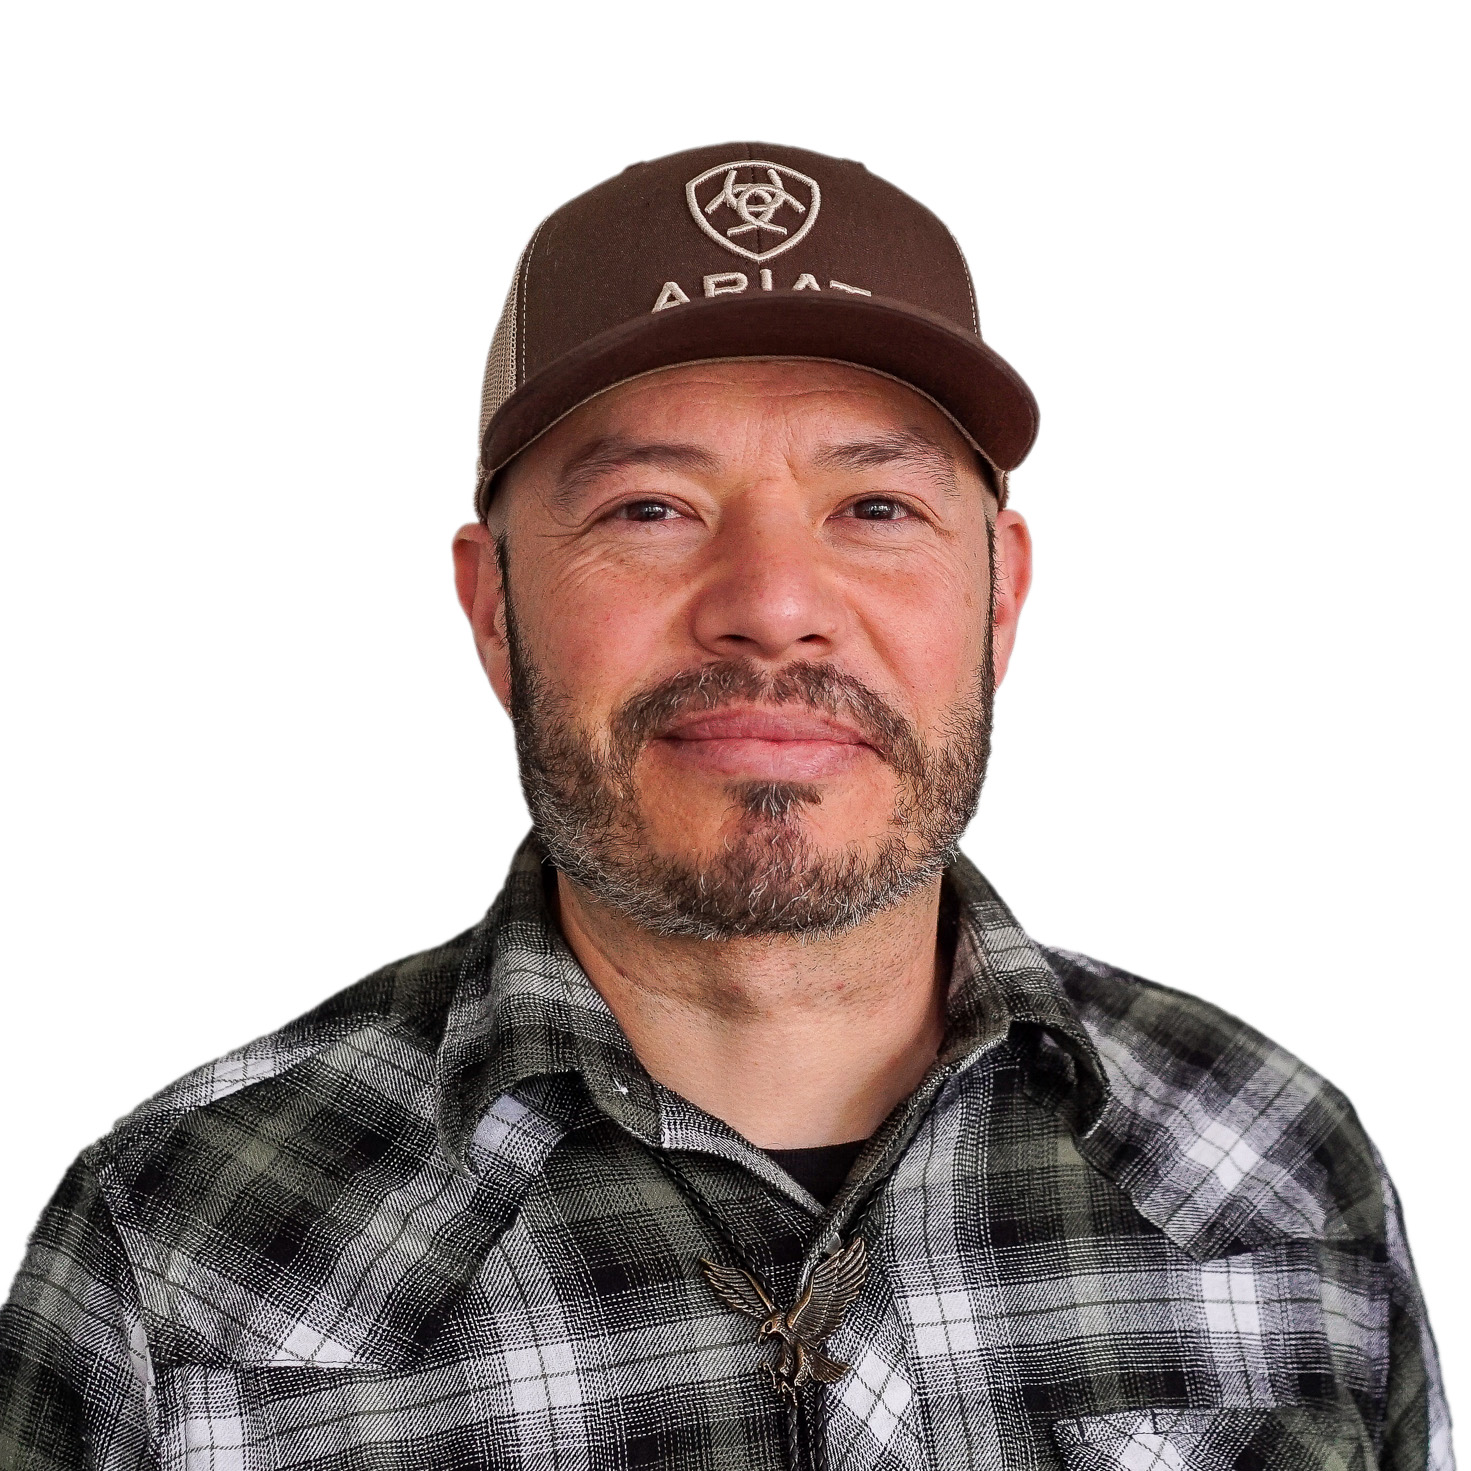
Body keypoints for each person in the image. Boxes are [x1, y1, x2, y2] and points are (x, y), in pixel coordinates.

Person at [0, 143, 1450, 1471]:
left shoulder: (1272, 1171)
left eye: (874, 509)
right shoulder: (180, 1246)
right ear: (494, 609)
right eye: (651, 510)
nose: (770, 608)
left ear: (1000, 592)